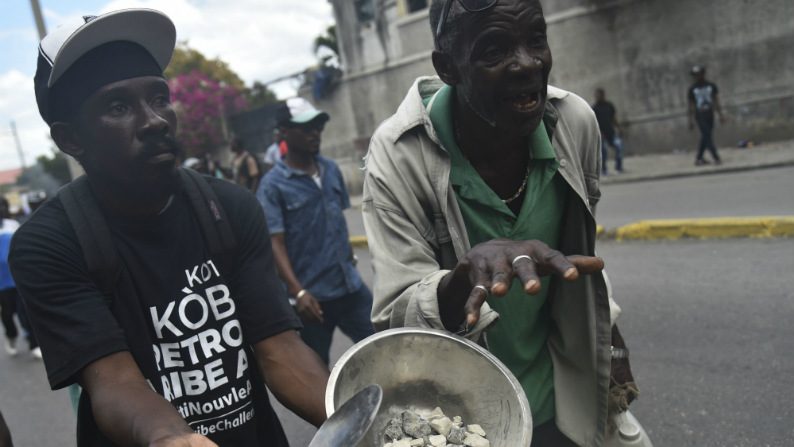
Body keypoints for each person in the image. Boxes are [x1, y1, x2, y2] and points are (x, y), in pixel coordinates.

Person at [11, 9, 328, 446]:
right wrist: (170, 438)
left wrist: (357, 420)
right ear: (70, 139)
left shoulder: (231, 207)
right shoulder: (48, 245)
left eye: (159, 98)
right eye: (118, 106)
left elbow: (279, 348)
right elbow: (113, 380)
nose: (155, 120)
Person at [362, 1, 638, 446]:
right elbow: (397, 319)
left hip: (564, 393)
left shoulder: (574, 123)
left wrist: (613, 340)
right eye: (494, 50)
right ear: (448, 67)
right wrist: (464, 276)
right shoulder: (397, 155)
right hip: (470, 417)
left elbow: (578, 258)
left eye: (536, 39)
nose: (526, 64)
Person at [258, 99, 374, 365]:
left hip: (350, 287)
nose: (315, 133)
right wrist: (298, 292)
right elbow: (275, 243)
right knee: (317, 370)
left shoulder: (331, 169)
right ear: (284, 132)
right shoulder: (273, 186)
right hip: (313, 300)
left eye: (318, 126)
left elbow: (338, 221)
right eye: (306, 127)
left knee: (382, 347)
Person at [688, 65, 725, 166]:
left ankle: (699, 158)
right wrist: (690, 120)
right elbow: (691, 105)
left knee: (706, 136)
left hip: (710, 113)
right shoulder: (692, 89)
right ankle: (716, 157)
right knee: (707, 136)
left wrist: (720, 115)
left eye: (698, 74)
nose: (697, 77)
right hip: (700, 115)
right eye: (695, 75)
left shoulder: (711, 86)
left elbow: (716, 101)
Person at [0, 198, 21, 357]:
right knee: (7, 313)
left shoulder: (12, 225)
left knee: (27, 312)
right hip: (1, 283)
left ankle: (34, 343)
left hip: (18, 278)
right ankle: (11, 336)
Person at [592, 88, 624, 174]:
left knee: (619, 146)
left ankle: (619, 167)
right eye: (596, 95)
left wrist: (619, 127)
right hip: (602, 135)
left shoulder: (609, 105)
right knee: (603, 151)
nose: (597, 97)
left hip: (611, 133)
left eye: (598, 95)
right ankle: (604, 170)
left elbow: (613, 118)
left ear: (603, 95)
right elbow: (594, 123)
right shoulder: (594, 108)